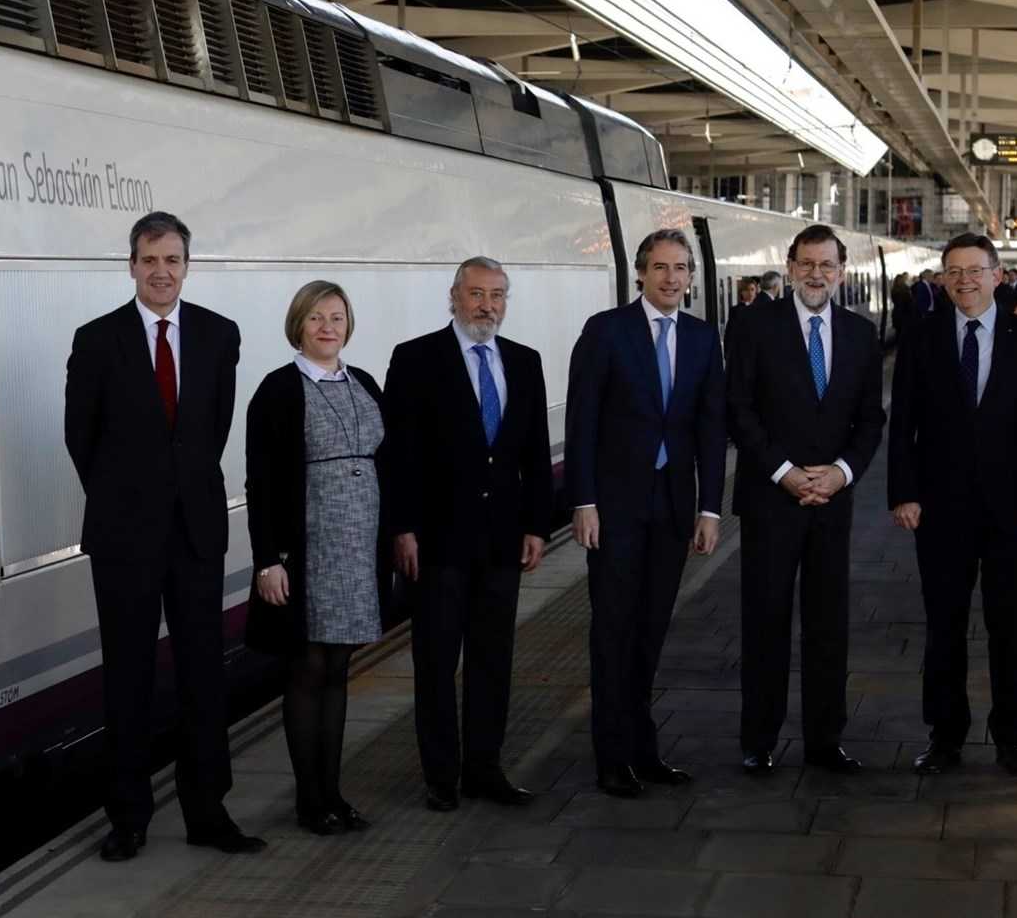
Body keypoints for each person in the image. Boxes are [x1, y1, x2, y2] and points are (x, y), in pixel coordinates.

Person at [64, 210, 265, 861]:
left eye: (172, 260)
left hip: (196, 531)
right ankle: (128, 817)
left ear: (186, 265)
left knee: (205, 674)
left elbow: (210, 431)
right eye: (149, 260)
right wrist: (131, 499)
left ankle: (208, 810)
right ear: (131, 266)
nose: (161, 272)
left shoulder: (217, 335)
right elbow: (80, 438)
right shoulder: (97, 340)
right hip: (124, 538)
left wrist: (179, 490)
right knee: (127, 677)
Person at [888, 233, 1017, 777]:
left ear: (996, 275)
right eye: (953, 271)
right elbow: (904, 426)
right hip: (939, 510)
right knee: (945, 627)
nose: (964, 280)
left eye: (975, 270)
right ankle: (945, 737)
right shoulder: (919, 337)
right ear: (942, 278)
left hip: (1013, 511)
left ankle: (1011, 737)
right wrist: (904, 493)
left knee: (1009, 627)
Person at [384, 257, 553, 811]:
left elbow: (532, 453)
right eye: (477, 294)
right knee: (435, 662)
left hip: (502, 541)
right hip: (436, 542)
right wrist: (402, 528)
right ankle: (440, 777)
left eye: (498, 295)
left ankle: (485, 768)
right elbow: (399, 455)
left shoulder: (524, 363)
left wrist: (535, 526)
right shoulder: (414, 360)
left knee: (492, 660)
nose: (487, 305)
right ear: (453, 296)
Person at [567, 229, 727, 798]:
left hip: (673, 509)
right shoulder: (607, 331)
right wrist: (583, 503)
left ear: (691, 276)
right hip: (613, 510)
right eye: (659, 267)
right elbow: (581, 423)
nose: (671, 278)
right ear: (639, 273)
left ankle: (643, 748)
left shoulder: (705, 339)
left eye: (681, 268)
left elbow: (711, 429)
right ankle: (611, 757)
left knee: (652, 631)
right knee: (612, 630)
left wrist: (710, 509)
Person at [726, 226, 886, 775]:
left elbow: (870, 419)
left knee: (828, 625)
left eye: (827, 265)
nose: (817, 274)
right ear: (789, 266)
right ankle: (759, 740)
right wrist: (783, 472)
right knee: (764, 621)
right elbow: (739, 409)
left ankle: (824, 741)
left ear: (841, 271)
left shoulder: (861, 335)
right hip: (771, 500)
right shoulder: (753, 327)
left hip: (831, 503)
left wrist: (841, 474)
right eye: (807, 264)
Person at [244, 281, 386, 835]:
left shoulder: (365, 383)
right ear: (298, 325)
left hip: (357, 552)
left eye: (337, 317)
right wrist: (266, 560)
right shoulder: (278, 391)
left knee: (339, 671)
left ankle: (333, 793)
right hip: (308, 552)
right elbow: (260, 482)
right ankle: (310, 801)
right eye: (316, 318)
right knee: (307, 669)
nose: (328, 327)